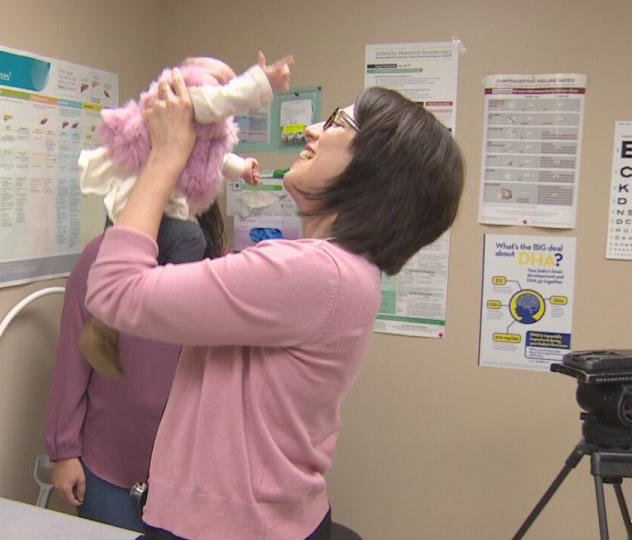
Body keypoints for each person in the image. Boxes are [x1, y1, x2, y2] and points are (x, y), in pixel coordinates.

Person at [84, 70, 465, 539]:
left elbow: (114, 291)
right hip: (272, 518)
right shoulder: (349, 273)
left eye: (339, 123)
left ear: (376, 169)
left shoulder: (316, 274)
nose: (312, 130)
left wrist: (164, 158)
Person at [78, 53, 293, 378]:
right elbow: (220, 100)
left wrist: (243, 167)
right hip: (135, 209)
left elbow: (219, 159)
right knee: (188, 238)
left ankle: (110, 325)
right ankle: (165, 308)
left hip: (140, 216)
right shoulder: (183, 99)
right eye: (217, 81)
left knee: (178, 241)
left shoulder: (195, 135)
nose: (221, 88)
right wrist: (264, 82)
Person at [45, 204, 226, 533]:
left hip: (192, 477)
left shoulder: (219, 270)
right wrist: (64, 452)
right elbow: (71, 362)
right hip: (107, 471)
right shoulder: (101, 260)